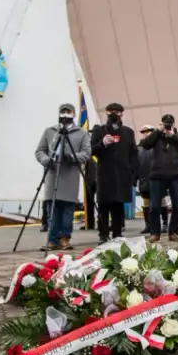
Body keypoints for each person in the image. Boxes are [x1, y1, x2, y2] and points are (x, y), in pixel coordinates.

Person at [35, 103, 91, 252]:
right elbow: (40, 151)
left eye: (69, 112)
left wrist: (72, 157)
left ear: (73, 114)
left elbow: (86, 153)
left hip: (70, 177)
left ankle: (65, 238)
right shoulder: (50, 131)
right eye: (63, 112)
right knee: (52, 209)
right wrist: (46, 160)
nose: (65, 115)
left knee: (67, 210)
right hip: (52, 175)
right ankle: (52, 240)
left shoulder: (81, 133)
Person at [90, 103, 138, 241]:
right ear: (106, 112)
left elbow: (133, 154)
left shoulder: (128, 132)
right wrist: (103, 143)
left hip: (122, 174)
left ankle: (117, 234)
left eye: (118, 112)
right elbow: (92, 151)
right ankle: (103, 234)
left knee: (118, 206)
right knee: (103, 205)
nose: (115, 114)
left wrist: (134, 173)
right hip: (105, 174)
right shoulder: (99, 130)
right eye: (112, 112)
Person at [140, 114, 178, 243]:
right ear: (161, 124)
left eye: (170, 124)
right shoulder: (157, 135)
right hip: (157, 175)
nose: (168, 126)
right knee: (154, 206)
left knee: (177, 206)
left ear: (174, 124)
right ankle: (154, 233)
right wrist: (158, 131)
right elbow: (145, 144)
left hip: (175, 176)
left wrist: (173, 135)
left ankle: (173, 232)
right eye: (165, 124)